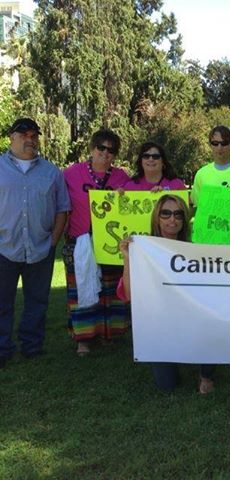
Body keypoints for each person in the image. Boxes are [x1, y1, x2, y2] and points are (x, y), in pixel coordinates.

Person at [118, 194, 215, 394]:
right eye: (166, 214)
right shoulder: (144, 249)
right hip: (160, 322)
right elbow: (131, 296)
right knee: (167, 384)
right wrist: (128, 259)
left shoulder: (195, 248)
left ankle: (206, 375)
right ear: (157, 218)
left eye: (178, 214)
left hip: (191, 316)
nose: (173, 219)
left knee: (211, 320)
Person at [0, 118, 71, 368]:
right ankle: (2, 349)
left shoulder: (51, 172)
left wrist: (53, 241)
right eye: (24, 134)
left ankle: (32, 346)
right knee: (1, 302)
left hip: (41, 248)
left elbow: (63, 209)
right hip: (4, 248)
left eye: (34, 135)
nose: (30, 139)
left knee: (38, 301)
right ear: (11, 137)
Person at [62, 129, 130, 357]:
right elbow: (61, 206)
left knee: (110, 292)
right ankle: (83, 339)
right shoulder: (71, 174)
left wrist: (124, 196)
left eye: (111, 150)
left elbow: (131, 208)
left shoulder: (122, 177)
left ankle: (108, 333)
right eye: (101, 147)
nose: (105, 153)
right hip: (79, 242)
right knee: (81, 289)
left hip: (110, 244)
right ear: (92, 149)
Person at [191, 125, 230, 206]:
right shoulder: (201, 174)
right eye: (215, 143)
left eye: (224, 143)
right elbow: (199, 207)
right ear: (210, 145)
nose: (219, 147)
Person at [122, 141, 186, 191]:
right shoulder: (129, 187)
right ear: (141, 161)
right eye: (146, 156)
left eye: (156, 156)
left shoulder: (177, 185)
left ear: (163, 162)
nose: (151, 159)